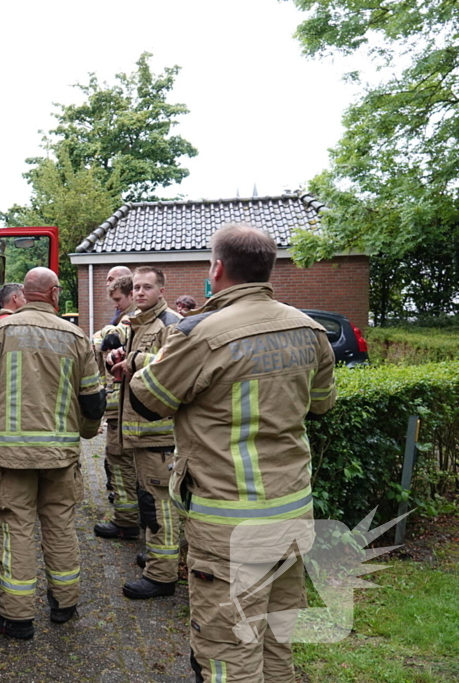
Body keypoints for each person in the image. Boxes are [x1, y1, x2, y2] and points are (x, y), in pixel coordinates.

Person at [126, 223, 337, 682]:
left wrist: (147, 361)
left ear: (217, 268)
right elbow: (321, 405)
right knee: (276, 642)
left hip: (229, 526)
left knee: (228, 654)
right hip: (292, 515)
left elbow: (147, 400)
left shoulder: (200, 333)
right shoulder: (309, 329)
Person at [0, 267, 105, 639]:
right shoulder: (76, 336)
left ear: (24, 294)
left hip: (12, 459)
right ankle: (65, 604)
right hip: (61, 457)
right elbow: (93, 401)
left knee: (17, 530)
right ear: (55, 294)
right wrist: (87, 433)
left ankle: (16, 617)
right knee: (60, 527)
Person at [112, 266, 183, 599]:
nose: (139, 293)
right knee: (149, 501)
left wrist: (136, 359)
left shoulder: (171, 324)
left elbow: (174, 368)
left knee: (160, 506)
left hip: (160, 433)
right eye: (136, 288)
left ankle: (162, 576)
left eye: (147, 287)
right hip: (144, 432)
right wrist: (120, 359)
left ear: (162, 291)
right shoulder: (139, 323)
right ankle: (158, 557)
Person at [92, 275, 140, 541]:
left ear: (131, 295)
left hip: (125, 407)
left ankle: (127, 521)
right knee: (121, 462)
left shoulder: (131, 320)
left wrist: (99, 339)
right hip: (122, 406)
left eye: (119, 299)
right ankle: (128, 519)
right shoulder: (131, 318)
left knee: (121, 462)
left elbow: (109, 339)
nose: (116, 305)